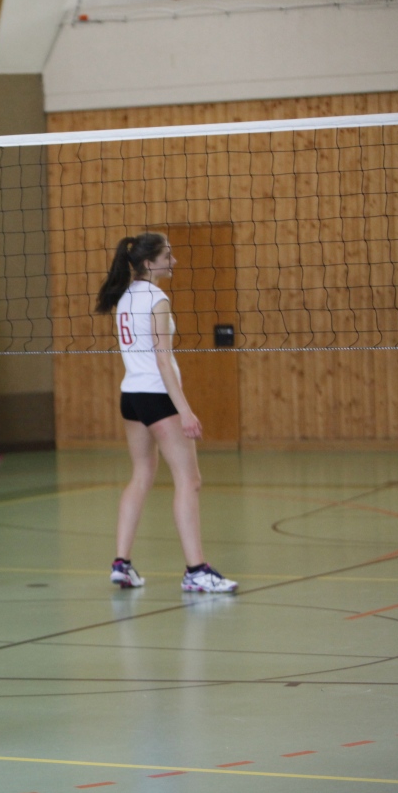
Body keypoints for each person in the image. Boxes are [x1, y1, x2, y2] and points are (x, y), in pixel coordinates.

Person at [95, 233, 237, 594]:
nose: (174, 261)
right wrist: (185, 410)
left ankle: (121, 564)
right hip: (157, 396)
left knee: (142, 474)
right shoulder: (157, 299)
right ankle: (196, 570)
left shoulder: (124, 296)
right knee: (189, 481)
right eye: (168, 256)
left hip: (131, 395)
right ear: (149, 263)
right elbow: (162, 359)